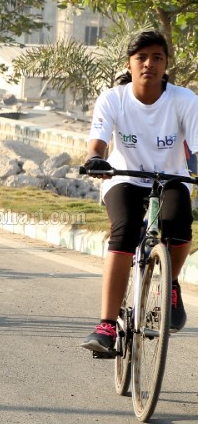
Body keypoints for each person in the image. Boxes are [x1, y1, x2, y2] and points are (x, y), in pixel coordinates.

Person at [81, 30, 198, 356]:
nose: (149, 63)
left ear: (165, 64)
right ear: (130, 64)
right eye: (141, 57)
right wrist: (95, 159)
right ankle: (105, 325)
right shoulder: (113, 98)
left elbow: (196, 149)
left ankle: (170, 285)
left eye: (157, 57)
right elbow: (98, 141)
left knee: (177, 223)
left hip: (171, 177)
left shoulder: (184, 100)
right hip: (124, 176)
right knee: (125, 230)